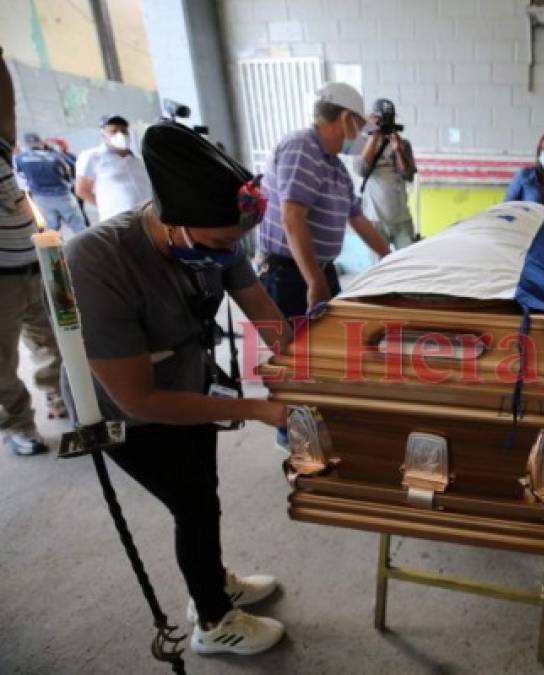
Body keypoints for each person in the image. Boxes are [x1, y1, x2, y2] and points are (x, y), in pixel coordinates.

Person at [65, 120, 294, 656]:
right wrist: (259, 408)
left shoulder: (218, 233)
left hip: (188, 384)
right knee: (192, 502)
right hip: (125, 411)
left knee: (204, 494)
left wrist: (299, 364)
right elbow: (137, 398)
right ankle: (213, 622)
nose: (228, 254)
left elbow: (259, 305)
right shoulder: (98, 260)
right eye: (219, 245)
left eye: (235, 245)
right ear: (175, 224)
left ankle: (209, 582)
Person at [259, 81, 390, 321]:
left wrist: (389, 257)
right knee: (297, 349)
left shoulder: (335, 166)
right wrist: (314, 282)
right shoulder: (301, 147)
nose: (360, 135)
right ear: (346, 118)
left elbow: (357, 218)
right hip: (290, 275)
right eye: (360, 126)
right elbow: (292, 218)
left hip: (319, 270)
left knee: (325, 339)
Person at [0, 48, 66, 456]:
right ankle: (19, 424)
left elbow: (7, 112)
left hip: (33, 265)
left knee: (53, 342)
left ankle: (59, 401)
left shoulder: (2, 150)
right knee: (1, 363)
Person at [352, 98, 418, 251]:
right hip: (375, 220)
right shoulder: (361, 143)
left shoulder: (403, 144)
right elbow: (360, 170)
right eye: (381, 119)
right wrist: (373, 136)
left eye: (389, 118)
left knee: (408, 263)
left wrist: (398, 150)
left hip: (401, 219)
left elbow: (408, 175)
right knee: (380, 267)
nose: (385, 123)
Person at [75, 114, 153, 222]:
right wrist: (108, 207)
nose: (120, 134)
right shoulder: (93, 157)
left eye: (124, 131)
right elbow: (81, 190)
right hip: (119, 220)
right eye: (114, 131)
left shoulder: (138, 160)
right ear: (103, 135)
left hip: (148, 217)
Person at [14, 132, 86, 236]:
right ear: (40, 142)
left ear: (26, 144)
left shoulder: (20, 158)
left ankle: (56, 251)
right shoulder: (54, 156)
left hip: (41, 198)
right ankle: (85, 250)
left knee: (51, 232)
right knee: (78, 227)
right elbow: (68, 171)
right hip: (62, 195)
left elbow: (20, 175)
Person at [46, 136, 90, 227]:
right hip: (70, 188)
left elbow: (75, 169)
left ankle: (86, 230)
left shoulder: (66, 156)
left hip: (73, 187)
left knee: (79, 212)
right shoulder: (55, 157)